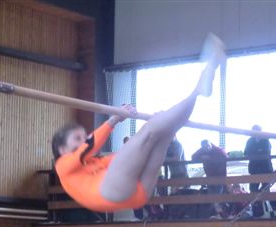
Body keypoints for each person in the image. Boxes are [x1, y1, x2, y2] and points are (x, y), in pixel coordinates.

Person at [52, 33, 225, 213]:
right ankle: (198, 88)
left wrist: (161, 122)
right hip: (110, 191)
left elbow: (125, 159)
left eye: (83, 136)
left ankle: (199, 90)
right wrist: (113, 120)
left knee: (166, 132)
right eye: (77, 138)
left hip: (136, 193)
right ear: (62, 149)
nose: (84, 139)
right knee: (149, 131)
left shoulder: (95, 162)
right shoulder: (63, 164)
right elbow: (90, 144)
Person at [192, 139, 229, 218]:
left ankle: (221, 215)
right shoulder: (202, 151)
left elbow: (225, 155)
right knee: (213, 198)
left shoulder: (218, 150)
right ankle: (216, 214)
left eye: (208, 146)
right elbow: (193, 157)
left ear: (211, 144)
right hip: (209, 178)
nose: (207, 148)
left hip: (220, 178)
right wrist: (202, 157)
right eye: (204, 147)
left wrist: (209, 157)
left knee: (218, 198)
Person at [244, 125, 273, 218]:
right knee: (253, 190)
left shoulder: (265, 140)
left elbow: (266, 152)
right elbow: (246, 153)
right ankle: (255, 211)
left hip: (265, 169)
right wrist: (257, 152)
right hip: (254, 170)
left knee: (266, 190)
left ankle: (267, 212)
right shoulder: (250, 141)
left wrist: (254, 154)